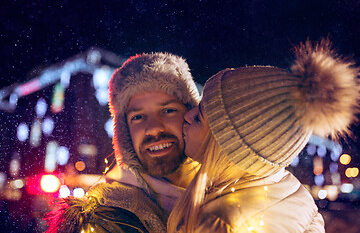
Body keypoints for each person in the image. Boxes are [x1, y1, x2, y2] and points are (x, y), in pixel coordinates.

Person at [168, 39, 359, 232]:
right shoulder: (292, 194)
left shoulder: (220, 222)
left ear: (229, 145)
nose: (187, 115)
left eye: (199, 117)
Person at [45, 52, 201, 233]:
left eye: (168, 110)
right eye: (138, 117)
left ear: (191, 115)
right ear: (125, 132)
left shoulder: (229, 189)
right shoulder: (105, 220)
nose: (153, 128)